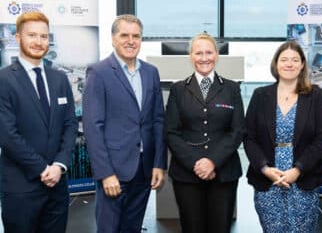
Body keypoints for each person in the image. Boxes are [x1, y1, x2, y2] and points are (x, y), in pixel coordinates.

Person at [82, 14, 167, 233]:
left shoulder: (151, 72)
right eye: (124, 35)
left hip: (144, 168)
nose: (131, 41)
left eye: (136, 36)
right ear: (113, 39)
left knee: (133, 228)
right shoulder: (99, 72)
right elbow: (93, 126)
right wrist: (105, 173)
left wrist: (159, 163)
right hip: (114, 170)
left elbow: (157, 121)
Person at [0, 12, 78, 233]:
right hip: (21, 187)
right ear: (18, 38)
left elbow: (71, 124)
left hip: (57, 186)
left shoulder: (60, 79)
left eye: (44, 36)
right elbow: (7, 134)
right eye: (32, 35)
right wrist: (43, 169)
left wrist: (59, 165)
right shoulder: (3, 80)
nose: (38, 41)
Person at [244, 40, 322, 232]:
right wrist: (265, 169)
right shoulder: (260, 95)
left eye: (294, 59)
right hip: (268, 180)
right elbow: (249, 137)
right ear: (276, 64)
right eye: (284, 59)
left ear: (302, 65)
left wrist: (297, 170)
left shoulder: (316, 96)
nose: (289, 64)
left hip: (303, 179)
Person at [164, 32, 244, 233]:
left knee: (220, 228)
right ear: (191, 56)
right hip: (187, 174)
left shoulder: (232, 89)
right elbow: (171, 132)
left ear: (217, 55)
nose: (204, 57)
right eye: (198, 53)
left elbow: (237, 131)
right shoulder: (178, 90)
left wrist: (212, 161)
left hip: (224, 173)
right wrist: (196, 164)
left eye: (209, 52)